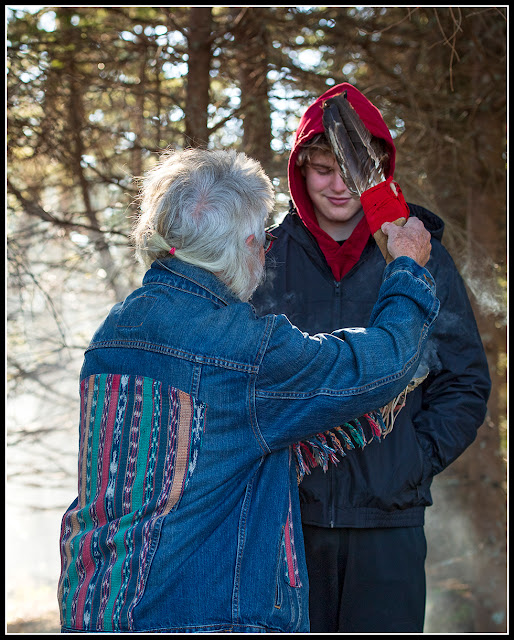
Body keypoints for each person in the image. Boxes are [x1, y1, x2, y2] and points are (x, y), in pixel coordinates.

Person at [57, 146, 438, 633]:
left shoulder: (115, 331)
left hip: (100, 607)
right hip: (203, 617)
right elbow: (381, 364)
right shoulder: (242, 349)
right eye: (260, 239)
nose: (266, 251)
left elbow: (204, 454)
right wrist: (408, 268)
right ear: (236, 246)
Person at [251, 82, 491, 633]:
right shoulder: (263, 258)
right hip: (284, 522)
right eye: (322, 169)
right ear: (299, 172)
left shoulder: (419, 255)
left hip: (389, 523)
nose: (338, 186)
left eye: (353, 170)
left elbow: (464, 379)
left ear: (379, 172)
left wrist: (412, 458)